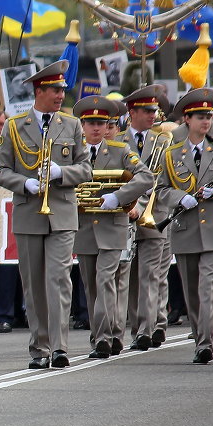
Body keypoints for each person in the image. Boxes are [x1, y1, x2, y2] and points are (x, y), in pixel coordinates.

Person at [0, 60, 92, 369]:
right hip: (29, 212)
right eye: (55, 90)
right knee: (34, 285)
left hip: (61, 212)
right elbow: (0, 170)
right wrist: (24, 183)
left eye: (62, 89)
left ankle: (60, 347)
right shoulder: (13, 126)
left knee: (58, 280)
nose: (61, 94)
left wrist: (63, 172)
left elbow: (86, 168)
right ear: (39, 91)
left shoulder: (72, 124)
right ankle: (40, 348)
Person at [156, 88, 213, 364]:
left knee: (207, 288)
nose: (206, 121)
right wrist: (181, 197)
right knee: (192, 292)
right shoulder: (171, 154)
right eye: (200, 116)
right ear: (187, 119)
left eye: (208, 115)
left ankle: (205, 343)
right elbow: (161, 189)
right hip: (186, 228)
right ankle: (199, 337)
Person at [70, 97, 153, 358]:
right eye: (91, 123)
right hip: (83, 226)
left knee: (105, 280)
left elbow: (146, 177)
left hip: (112, 225)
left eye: (101, 123)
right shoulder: (73, 151)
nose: (96, 128)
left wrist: (118, 197)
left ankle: (103, 338)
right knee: (91, 286)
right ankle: (109, 334)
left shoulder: (120, 150)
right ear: (82, 126)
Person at [123, 85, 175, 350]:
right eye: (147, 111)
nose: (153, 115)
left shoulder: (164, 141)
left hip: (156, 215)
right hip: (127, 216)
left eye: (155, 110)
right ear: (133, 112)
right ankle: (141, 325)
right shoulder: (119, 141)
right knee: (131, 276)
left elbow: (162, 179)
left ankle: (148, 327)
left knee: (151, 274)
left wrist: (142, 207)